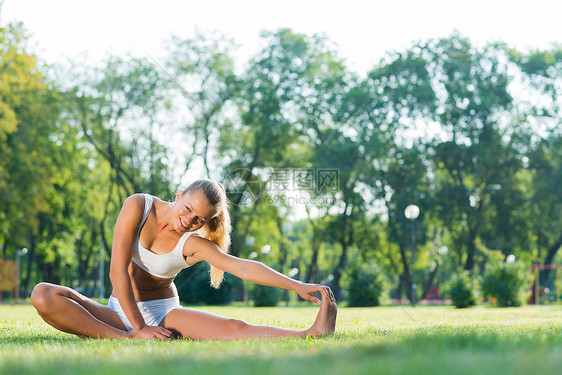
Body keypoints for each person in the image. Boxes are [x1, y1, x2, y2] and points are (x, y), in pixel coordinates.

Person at [31, 179, 337, 340]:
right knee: (43, 294)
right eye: (187, 208)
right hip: (119, 310)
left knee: (233, 328)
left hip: (163, 313)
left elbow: (241, 267)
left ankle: (311, 333)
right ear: (179, 195)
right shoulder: (138, 206)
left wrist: (296, 285)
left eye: (198, 219)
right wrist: (137, 328)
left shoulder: (193, 243)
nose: (188, 220)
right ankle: (126, 339)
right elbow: (116, 272)